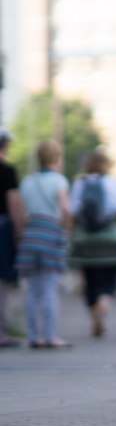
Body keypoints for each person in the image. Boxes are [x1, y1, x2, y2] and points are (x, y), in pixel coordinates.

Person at [15, 140, 70, 348]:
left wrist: (21, 235)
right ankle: (50, 336)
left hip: (30, 233)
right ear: (56, 157)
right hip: (50, 233)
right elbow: (66, 209)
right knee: (49, 288)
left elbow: (20, 212)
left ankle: (32, 336)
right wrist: (65, 230)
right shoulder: (59, 181)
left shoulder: (27, 182)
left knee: (32, 290)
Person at [68, 148, 116, 338]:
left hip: (85, 239)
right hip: (108, 237)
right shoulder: (113, 183)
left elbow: (73, 211)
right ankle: (103, 303)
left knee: (90, 281)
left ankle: (94, 315)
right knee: (108, 280)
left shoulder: (79, 183)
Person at [0, 129, 20, 346]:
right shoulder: (7, 171)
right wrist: (19, 231)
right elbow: (13, 202)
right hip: (2, 227)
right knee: (3, 280)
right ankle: (2, 332)